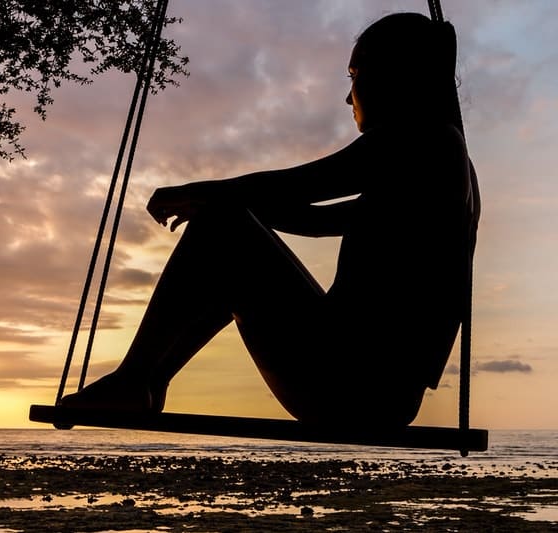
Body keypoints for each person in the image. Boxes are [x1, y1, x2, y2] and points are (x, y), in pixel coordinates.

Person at [61, 12, 478, 428]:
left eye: (354, 74)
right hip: (380, 394)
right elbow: (315, 220)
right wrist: (222, 205)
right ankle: (147, 383)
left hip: (351, 384)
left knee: (223, 225)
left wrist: (206, 196)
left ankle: (135, 380)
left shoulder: (424, 140)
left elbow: (305, 184)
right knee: (227, 227)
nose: (349, 98)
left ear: (393, 73)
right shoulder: (440, 163)